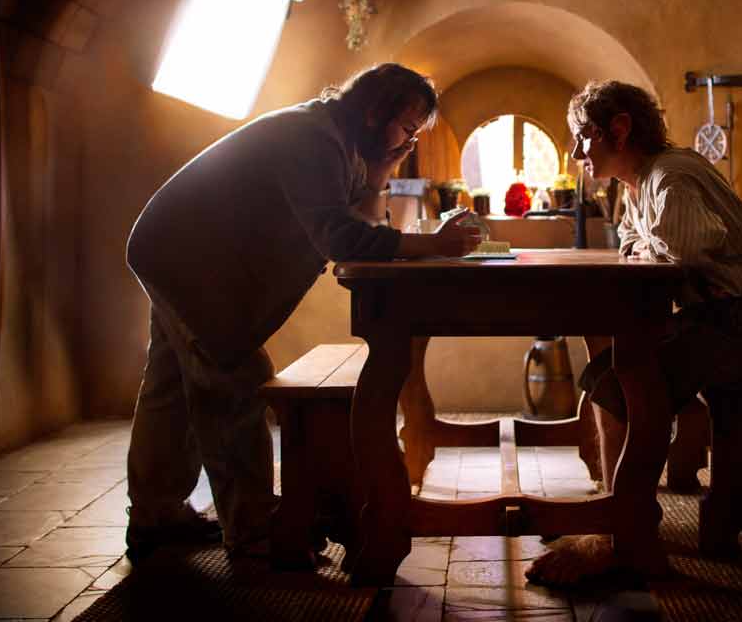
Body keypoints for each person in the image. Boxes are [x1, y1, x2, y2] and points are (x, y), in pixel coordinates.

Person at [123, 63, 481, 559]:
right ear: (374, 112)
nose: (409, 141)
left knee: (171, 386)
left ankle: (155, 516)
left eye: (415, 133)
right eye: (407, 127)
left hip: (177, 251)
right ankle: (253, 529)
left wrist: (380, 173)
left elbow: (357, 224)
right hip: (184, 256)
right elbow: (341, 237)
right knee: (233, 378)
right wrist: (432, 245)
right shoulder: (312, 137)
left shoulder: (340, 144)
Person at [527, 79, 742, 585]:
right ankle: (618, 510)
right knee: (608, 377)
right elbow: (637, 247)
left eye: (582, 137)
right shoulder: (639, 185)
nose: (576, 152)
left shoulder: (671, 177)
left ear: (619, 130)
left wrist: (647, 249)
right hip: (719, 318)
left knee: (624, 384)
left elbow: (677, 258)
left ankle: (621, 535)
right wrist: (646, 247)